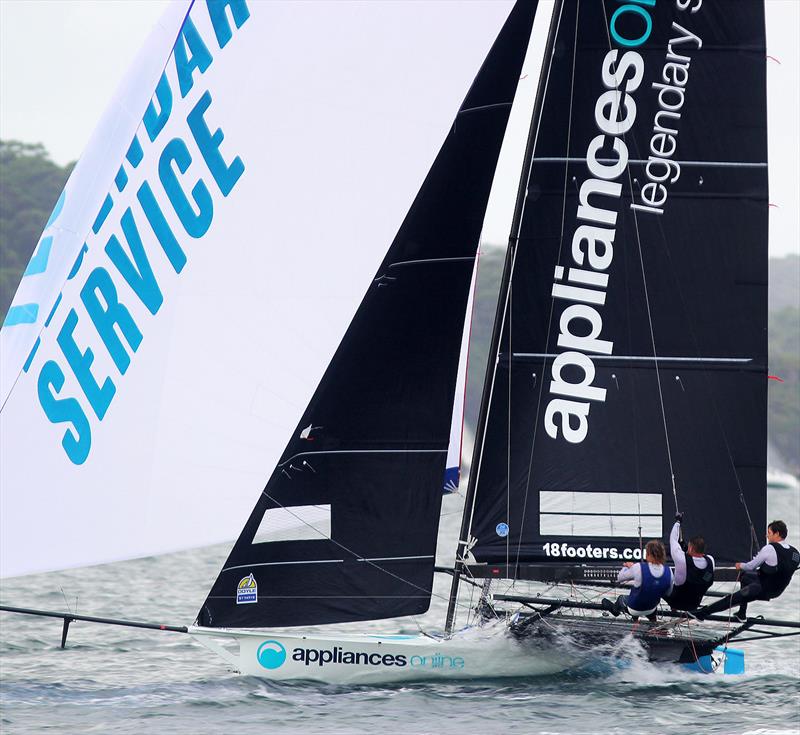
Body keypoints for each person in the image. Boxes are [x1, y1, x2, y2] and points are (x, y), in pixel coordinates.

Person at [695, 520, 800, 621]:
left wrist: (740, 565)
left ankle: (701, 614)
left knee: (731, 599)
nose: (767, 536)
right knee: (745, 576)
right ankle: (742, 613)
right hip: (777, 591)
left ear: (777, 534)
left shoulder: (770, 548)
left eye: (769, 533)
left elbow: (751, 566)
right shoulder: (795, 553)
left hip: (763, 589)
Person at [601, 540, 673, 621]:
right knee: (650, 597)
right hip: (651, 608)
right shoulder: (669, 571)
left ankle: (615, 611)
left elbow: (620, 578)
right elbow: (668, 593)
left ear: (648, 554)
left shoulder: (638, 567)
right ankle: (652, 621)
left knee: (621, 598)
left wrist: (627, 566)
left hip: (634, 609)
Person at [662, 512, 714, 611]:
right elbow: (698, 563)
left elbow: (673, 539)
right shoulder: (711, 561)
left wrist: (678, 522)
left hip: (677, 602)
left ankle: (672, 608)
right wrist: (686, 550)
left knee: (662, 581)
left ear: (691, 549)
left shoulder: (681, 559)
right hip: (695, 604)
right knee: (699, 583)